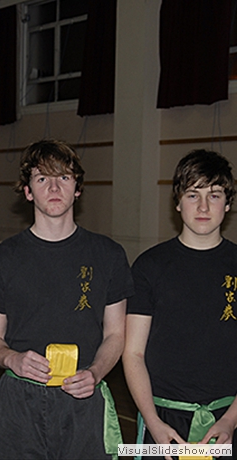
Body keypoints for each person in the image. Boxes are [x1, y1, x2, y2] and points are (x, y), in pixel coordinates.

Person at [0, 139, 133, 459]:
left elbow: (116, 335)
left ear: (77, 188)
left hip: (84, 398)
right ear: (27, 191)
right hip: (19, 402)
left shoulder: (108, 255)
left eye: (64, 177)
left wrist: (95, 373)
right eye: (42, 179)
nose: (53, 187)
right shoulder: (2, 258)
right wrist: (13, 359)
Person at [123, 149, 237, 459]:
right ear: (177, 202)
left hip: (228, 421)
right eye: (192, 194)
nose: (203, 206)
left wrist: (230, 420)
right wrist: (152, 421)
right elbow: (133, 352)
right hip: (164, 421)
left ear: (227, 204)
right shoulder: (149, 266)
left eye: (214, 195)